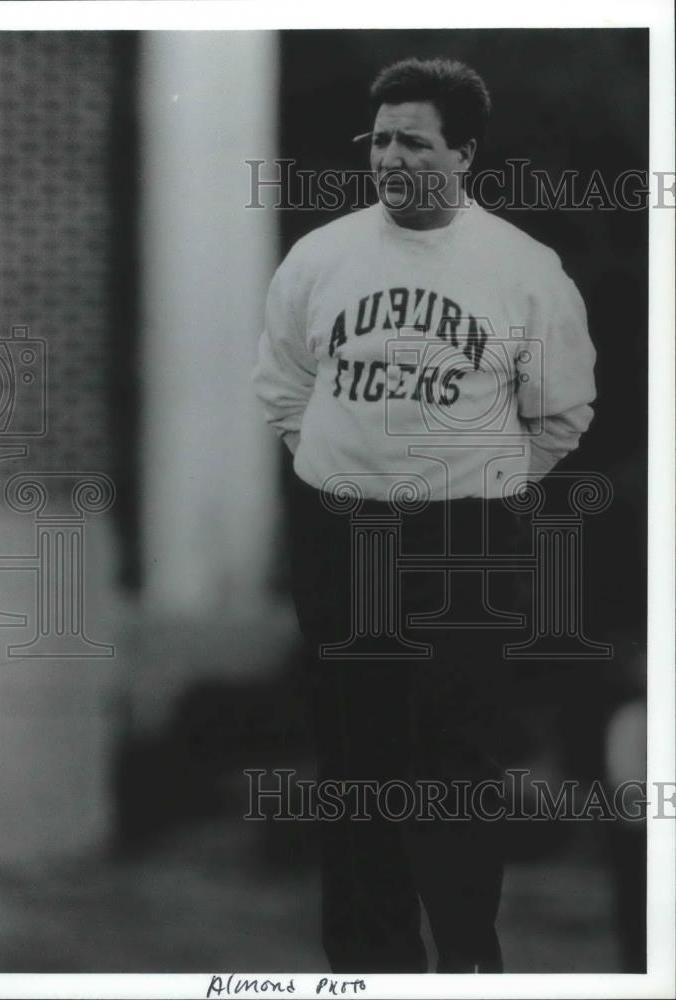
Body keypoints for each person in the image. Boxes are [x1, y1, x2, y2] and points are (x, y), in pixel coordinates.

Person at [253, 56, 596, 974]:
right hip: (345, 536)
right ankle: (369, 967)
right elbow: (283, 387)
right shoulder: (320, 256)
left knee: (454, 767)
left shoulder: (523, 271)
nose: (390, 158)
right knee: (356, 765)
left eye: (415, 141)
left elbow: (561, 411)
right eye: (379, 140)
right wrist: (334, 465)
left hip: (464, 543)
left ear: (464, 154)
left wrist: (478, 475)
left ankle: (467, 963)